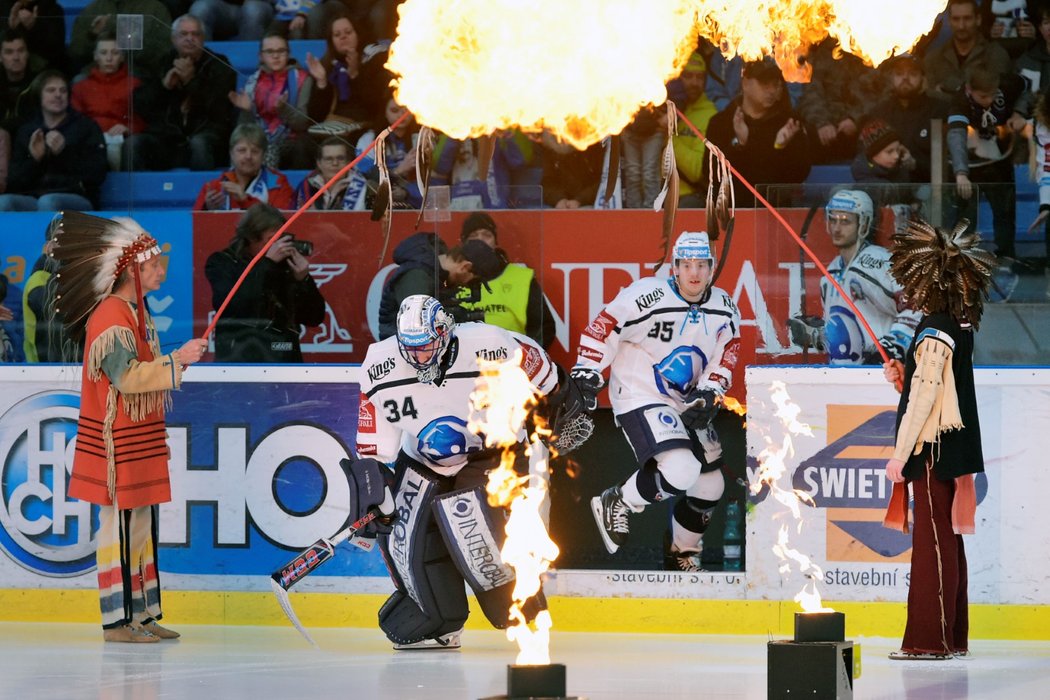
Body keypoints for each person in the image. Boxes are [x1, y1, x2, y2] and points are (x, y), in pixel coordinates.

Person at [351, 294, 585, 649]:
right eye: (410, 349)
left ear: (444, 333)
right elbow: (374, 452)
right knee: (408, 537)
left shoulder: (490, 344)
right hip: (424, 459)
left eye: (427, 346)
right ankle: (437, 620)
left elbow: (547, 377)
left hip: (491, 453)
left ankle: (518, 608)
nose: (419, 357)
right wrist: (373, 498)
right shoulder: (378, 366)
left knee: (472, 529)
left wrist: (560, 408)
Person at [50, 211, 207, 642]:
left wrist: (177, 361)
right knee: (119, 528)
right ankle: (116, 621)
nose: (161, 270)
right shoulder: (111, 317)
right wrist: (179, 361)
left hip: (139, 437)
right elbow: (129, 378)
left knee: (142, 527)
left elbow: (143, 372)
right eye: (154, 265)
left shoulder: (134, 313)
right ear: (132, 272)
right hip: (118, 442)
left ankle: (142, 616)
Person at [576, 231, 741, 572]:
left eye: (701, 265)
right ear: (675, 268)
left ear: (712, 268)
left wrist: (711, 390)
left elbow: (726, 355)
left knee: (710, 485)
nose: (693, 273)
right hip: (640, 393)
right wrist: (587, 369)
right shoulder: (647, 294)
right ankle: (618, 501)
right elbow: (603, 328)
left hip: (685, 399)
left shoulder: (724, 306)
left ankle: (681, 555)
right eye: (685, 264)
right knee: (682, 469)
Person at [881, 216, 994, 661]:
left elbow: (924, 401)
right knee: (948, 540)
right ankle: (954, 637)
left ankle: (929, 640)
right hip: (954, 447)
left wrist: (899, 455)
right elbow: (931, 386)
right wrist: (903, 377)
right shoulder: (956, 326)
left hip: (932, 450)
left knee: (932, 545)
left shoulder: (932, 330)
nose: (909, 290)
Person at [788, 190, 920, 366]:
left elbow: (916, 305)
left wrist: (891, 349)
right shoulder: (830, 273)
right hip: (844, 377)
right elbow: (849, 335)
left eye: (845, 221)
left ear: (864, 224)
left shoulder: (877, 262)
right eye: (833, 220)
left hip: (881, 376)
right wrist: (816, 335)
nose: (836, 228)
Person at [204, 203, 326, 362]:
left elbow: (314, 318)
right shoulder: (223, 262)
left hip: (283, 356)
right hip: (240, 357)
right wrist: (267, 264)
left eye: (281, 238)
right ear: (251, 238)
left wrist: (304, 279)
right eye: (272, 240)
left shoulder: (285, 265)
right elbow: (232, 306)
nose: (279, 246)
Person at [126, 14, 236, 171]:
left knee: (199, 144)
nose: (190, 39)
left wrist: (191, 82)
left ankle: (204, 195)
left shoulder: (220, 64)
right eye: (183, 34)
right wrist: (164, 86)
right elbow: (140, 105)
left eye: (195, 34)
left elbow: (219, 110)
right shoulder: (160, 62)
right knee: (133, 145)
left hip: (206, 138)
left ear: (203, 39)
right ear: (173, 39)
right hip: (167, 140)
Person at [702, 57, 811, 207]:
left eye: (776, 84)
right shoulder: (721, 122)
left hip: (775, 213)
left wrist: (779, 148)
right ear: (745, 83)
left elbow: (798, 175)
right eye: (765, 84)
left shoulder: (789, 123)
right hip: (731, 213)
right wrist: (739, 145)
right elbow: (711, 176)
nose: (772, 90)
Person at [946, 64, 1027, 261]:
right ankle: (960, 257)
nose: (989, 100)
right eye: (983, 96)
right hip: (969, 164)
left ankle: (1007, 255)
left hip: (999, 159)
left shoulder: (1009, 84)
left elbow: (1027, 91)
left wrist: (1019, 112)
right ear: (969, 90)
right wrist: (961, 173)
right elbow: (956, 136)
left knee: (1005, 210)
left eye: (993, 94)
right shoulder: (959, 101)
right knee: (966, 216)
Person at [0, 70, 107, 211]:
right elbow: (14, 181)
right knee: (4, 202)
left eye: (63, 91)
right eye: (51, 90)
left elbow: (96, 173)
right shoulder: (27, 130)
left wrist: (64, 152)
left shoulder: (86, 127)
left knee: (48, 202)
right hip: (34, 197)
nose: (58, 95)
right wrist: (34, 159)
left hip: (76, 197)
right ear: (39, 95)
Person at [453, 211, 555, 349]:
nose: (480, 241)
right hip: (462, 363)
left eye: (486, 235)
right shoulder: (451, 278)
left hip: (511, 365)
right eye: (473, 236)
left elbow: (544, 327)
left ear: (496, 243)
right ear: (463, 243)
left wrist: (524, 358)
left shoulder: (521, 278)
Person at [376, 231, 505, 340]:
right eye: (471, 282)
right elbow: (417, 324)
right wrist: (457, 315)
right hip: (402, 356)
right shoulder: (418, 275)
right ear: (465, 267)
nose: (465, 286)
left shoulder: (435, 275)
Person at [228, 31, 315, 171]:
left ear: (288, 53)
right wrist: (246, 111)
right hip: (259, 139)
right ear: (261, 56)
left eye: (281, 51)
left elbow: (302, 123)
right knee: (240, 147)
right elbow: (244, 130)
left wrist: (284, 109)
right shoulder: (252, 82)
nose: (276, 56)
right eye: (270, 51)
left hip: (290, 140)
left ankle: (268, 190)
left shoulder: (302, 79)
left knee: (272, 149)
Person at [866, 53, 950, 185]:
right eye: (899, 73)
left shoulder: (940, 111)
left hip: (929, 189)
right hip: (888, 188)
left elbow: (949, 166)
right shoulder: (879, 113)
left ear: (923, 78)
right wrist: (881, 164)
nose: (905, 78)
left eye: (913, 73)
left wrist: (915, 164)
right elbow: (864, 162)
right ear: (892, 78)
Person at [71, 33, 147, 171]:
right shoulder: (81, 86)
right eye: (104, 53)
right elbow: (75, 119)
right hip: (92, 138)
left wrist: (128, 128)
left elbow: (143, 118)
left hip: (122, 139)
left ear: (122, 57)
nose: (109, 58)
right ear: (95, 56)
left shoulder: (134, 84)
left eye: (115, 53)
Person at [194, 123, 295, 211]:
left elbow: (283, 222)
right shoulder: (214, 188)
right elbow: (196, 226)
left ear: (263, 155)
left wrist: (245, 200)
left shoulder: (279, 184)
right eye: (242, 150)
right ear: (231, 154)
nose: (248, 156)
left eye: (255, 151)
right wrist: (207, 208)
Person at [925, 0, 1011, 101]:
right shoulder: (933, 58)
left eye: (967, 18)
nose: (961, 26)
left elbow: (995, 97)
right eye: (956, 19)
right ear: (949, 21)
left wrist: (948, 88)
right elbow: (928, 99)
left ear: (978, 19)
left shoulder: (995, 54)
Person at [673, 51, 717, 208]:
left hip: (687, 197)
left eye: (699, 77)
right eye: (688, 76)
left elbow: (697, 171)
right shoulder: (660, 107)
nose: (694, 82)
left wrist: (668, 137)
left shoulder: (710, 115)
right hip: (654, 192)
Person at [293, 135, 367, 209]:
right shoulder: (306, 186)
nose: (335, 163)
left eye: (340, 158)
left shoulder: (365, 188)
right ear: (319, 163)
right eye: (329, 159)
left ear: (349, 162)